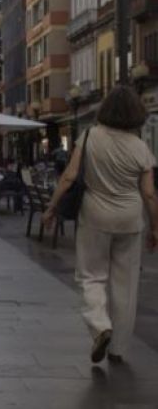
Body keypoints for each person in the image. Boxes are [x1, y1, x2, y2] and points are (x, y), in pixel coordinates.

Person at [43, 86, 158, 365]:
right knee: (125, 283)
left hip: (95, 216)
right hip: (130, 219)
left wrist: (52, 207)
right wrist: (155, 227)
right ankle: (118, 348)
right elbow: (149, 193)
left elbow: (69, 176)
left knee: (90, 276)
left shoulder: (90, 136)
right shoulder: (141, 147)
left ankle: (100, 325)